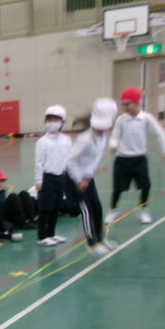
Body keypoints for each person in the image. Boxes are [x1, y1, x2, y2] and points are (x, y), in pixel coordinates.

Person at [107, 87, 165, 225]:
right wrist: (113, 144)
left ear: (137, 103)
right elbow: (115, 136)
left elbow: (159, 133)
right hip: (122, 160)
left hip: (139, 159)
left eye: (127, 104)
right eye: (123, 104)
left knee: (145, 186)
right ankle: (113, 210)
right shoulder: (121, 120)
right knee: (118, 188)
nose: (125, 107)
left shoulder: (146, 118)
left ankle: (143, 210)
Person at [67, 98, 119, 256]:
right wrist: (78, 180)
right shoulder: (85, 139)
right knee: (86, 210)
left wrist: (89, 174)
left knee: (96, 206)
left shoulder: (102, 137)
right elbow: (70, 162)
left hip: (87, 178)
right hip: (72, 177)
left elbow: (93, 159)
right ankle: (91, 243)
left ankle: (100, 239)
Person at [34, 104, 73, 246]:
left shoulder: (66, 140)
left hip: (61, 177)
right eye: (49, 120)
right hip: (47, 178)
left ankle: (51, 233)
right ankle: (41, 236)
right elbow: (39, 163)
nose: (52, 123)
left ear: (62, 122)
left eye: (56, 120)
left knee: (56, 207)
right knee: (45, 208)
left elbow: (69, 159)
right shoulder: (42, 142)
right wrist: (39, 181)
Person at [0, 170, 34, 241]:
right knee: (13, 196)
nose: (1, 184)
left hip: (7, 214)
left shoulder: (1, 192)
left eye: (3, 181)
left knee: (23, 193)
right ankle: (23, 222)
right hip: (2, 218)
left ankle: (31, 219)